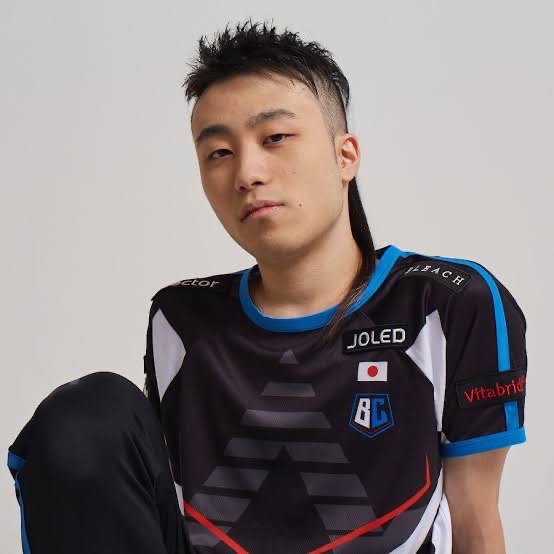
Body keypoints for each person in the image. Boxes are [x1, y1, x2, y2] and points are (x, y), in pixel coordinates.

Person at [7, 18, 527, 554]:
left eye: (275, 138)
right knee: (87, 415)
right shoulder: (181, 319)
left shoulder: (446, 303)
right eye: (219, 153)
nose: (247, 174)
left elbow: (475, 522)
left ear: (345, 155)